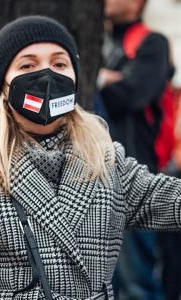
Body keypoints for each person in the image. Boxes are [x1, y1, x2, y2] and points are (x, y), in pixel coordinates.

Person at [0, 15, 181, 300]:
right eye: (28, 64)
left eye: (59, 63)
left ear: (75, 78)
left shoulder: (109, 164)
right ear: (4, 84)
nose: (47, 74)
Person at [96, 0, 172, 299]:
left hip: (136, 178)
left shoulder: (152, 44)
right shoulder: (100, 41)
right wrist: (108, 79)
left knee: (137, 281)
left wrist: (99, 79)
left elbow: (129, 96)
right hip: (98, 178)